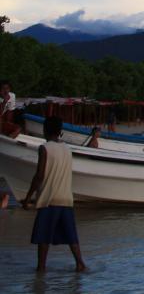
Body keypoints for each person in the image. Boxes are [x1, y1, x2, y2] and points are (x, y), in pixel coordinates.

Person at [20, 116, 87, 272]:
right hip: (66, 200)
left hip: (49, 199)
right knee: (72, 237)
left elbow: (39, 176)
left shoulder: (45, 148)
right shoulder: (67, 149)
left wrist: (28, 198)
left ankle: (41, 270)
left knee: (43, 238)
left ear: (45, 130)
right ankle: (80, 264)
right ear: (60, 132)